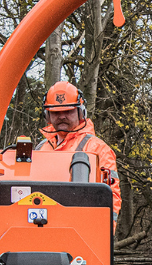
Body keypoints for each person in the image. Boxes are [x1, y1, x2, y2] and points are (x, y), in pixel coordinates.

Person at [36, 80, 121, 219]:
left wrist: (104, 236)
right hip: (42, 225)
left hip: (81, 226)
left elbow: (111, 197)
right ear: (48, 116)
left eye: (68, 111)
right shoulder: (40, 149)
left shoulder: (99, 150)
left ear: (81, 113)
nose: (62, 116)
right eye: (56, 112)